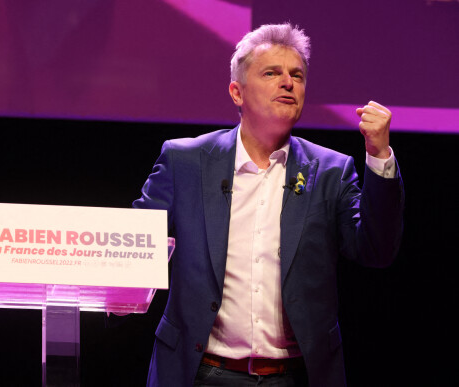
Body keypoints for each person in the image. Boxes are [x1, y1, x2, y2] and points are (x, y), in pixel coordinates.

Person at [133, 23, 404, 387]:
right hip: (199, 372)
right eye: (271, 73)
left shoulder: (330, 171)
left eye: (297, 75)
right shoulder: (185, 161)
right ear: (237, 92)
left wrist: (378, 155)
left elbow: (375, 249)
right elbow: (133, 246)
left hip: (295, 376)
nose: (288, 83)